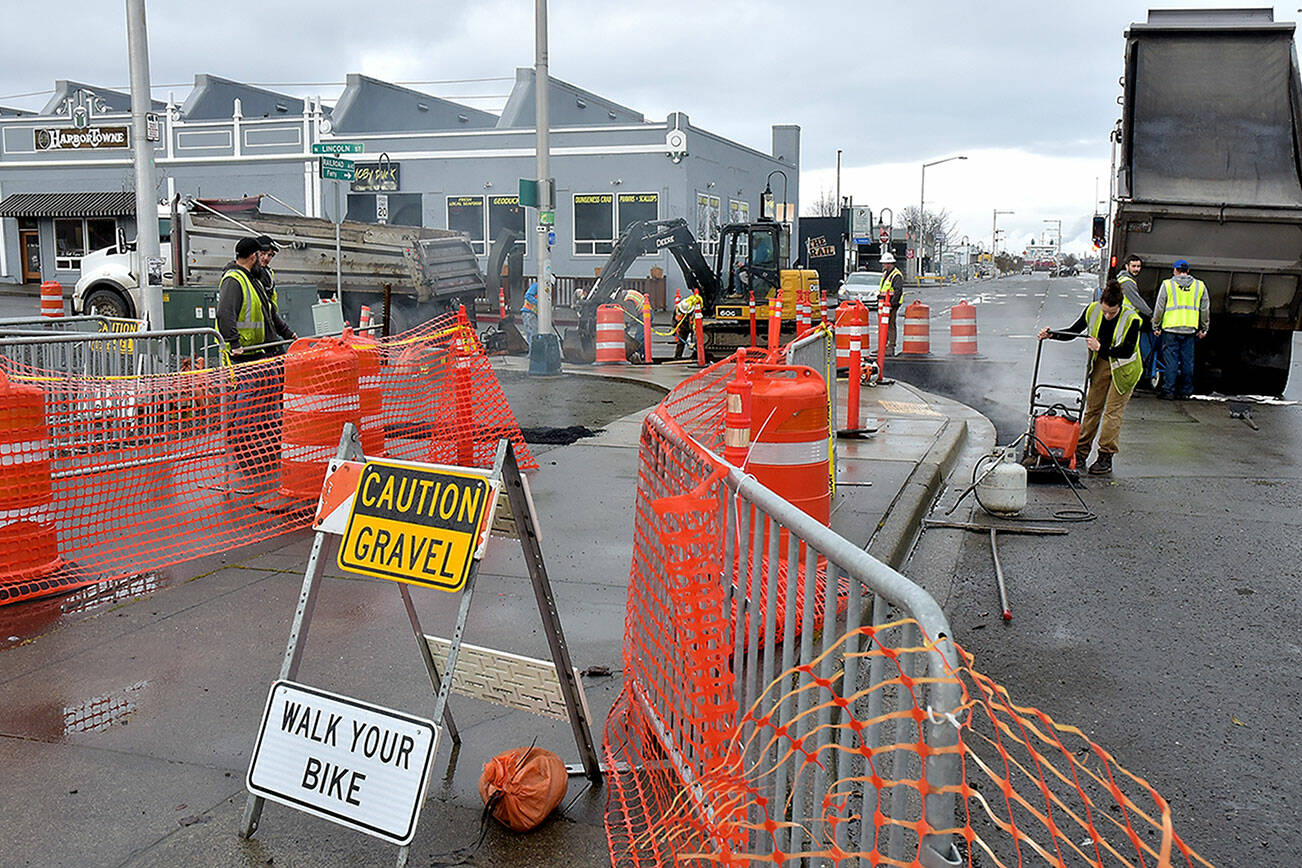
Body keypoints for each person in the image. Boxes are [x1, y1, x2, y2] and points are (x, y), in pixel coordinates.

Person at [1038, 279, 1143, 476]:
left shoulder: (1132, 319)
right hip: (1102, 364)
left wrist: (1100, 348)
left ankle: (1105, 455)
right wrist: (1052, 334)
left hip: (1125, 369)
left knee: (1112, 413)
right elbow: (1074, 331)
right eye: (1105, 311)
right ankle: (1080, 452)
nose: (1107, 315)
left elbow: (1127, 350)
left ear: (1120, 306)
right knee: (1092, 409)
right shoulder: (1093, 310)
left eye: (1112, 312)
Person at [217, 236, 296, 360]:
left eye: (269, 255)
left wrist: (287, 333)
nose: (264, 259)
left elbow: (268, 310)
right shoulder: (234, 280)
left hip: (255, 348)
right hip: (240, 353)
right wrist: (234, 343)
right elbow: (225, 313)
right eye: (261, 255)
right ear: (254, 256)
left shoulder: (253, 280)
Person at [1152, 259, 1209, 400]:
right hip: (1190, 330)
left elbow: (1159, 307)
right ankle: (1186, 391)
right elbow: (1205, 309)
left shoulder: (1167, 284)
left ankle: (1168, 391)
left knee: (1171, 361)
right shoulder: (1199, 286)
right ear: (1188, 271)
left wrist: (1156, 325)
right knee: (1187, 362)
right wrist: (1204, 327)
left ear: (1175, 270)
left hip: (1170, 329)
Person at [1116, 253, 1159, 388]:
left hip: (1127, 320)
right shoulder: (1127, 282)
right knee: (1132, 353)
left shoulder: (1124, 279)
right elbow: (1137, 301)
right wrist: (1151, 314)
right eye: (1133, 266)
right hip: (1128, 322)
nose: (1136, 269)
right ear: (1127, 266)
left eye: (1139, 266)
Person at [878, 252, 904, 354]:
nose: (883, 265)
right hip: (885, 303)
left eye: (884, 263)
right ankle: (883, 345)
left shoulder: (896, 275)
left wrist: (892, 305)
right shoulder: (886, 274)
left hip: (892, 303)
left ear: (889, 263)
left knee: (890, 324)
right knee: (884, 324)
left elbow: (898, 291)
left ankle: (891, 346)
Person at [673, 286, 703, 360]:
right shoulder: (678, 310)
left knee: (695, 342)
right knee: (680, 342)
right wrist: (674, 329)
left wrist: (692, 340)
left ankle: (696, 356)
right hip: (683, 326)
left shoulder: (694, 312)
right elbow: (674, 320)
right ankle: (677, 356)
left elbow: (697, 323)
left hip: (693, 327)